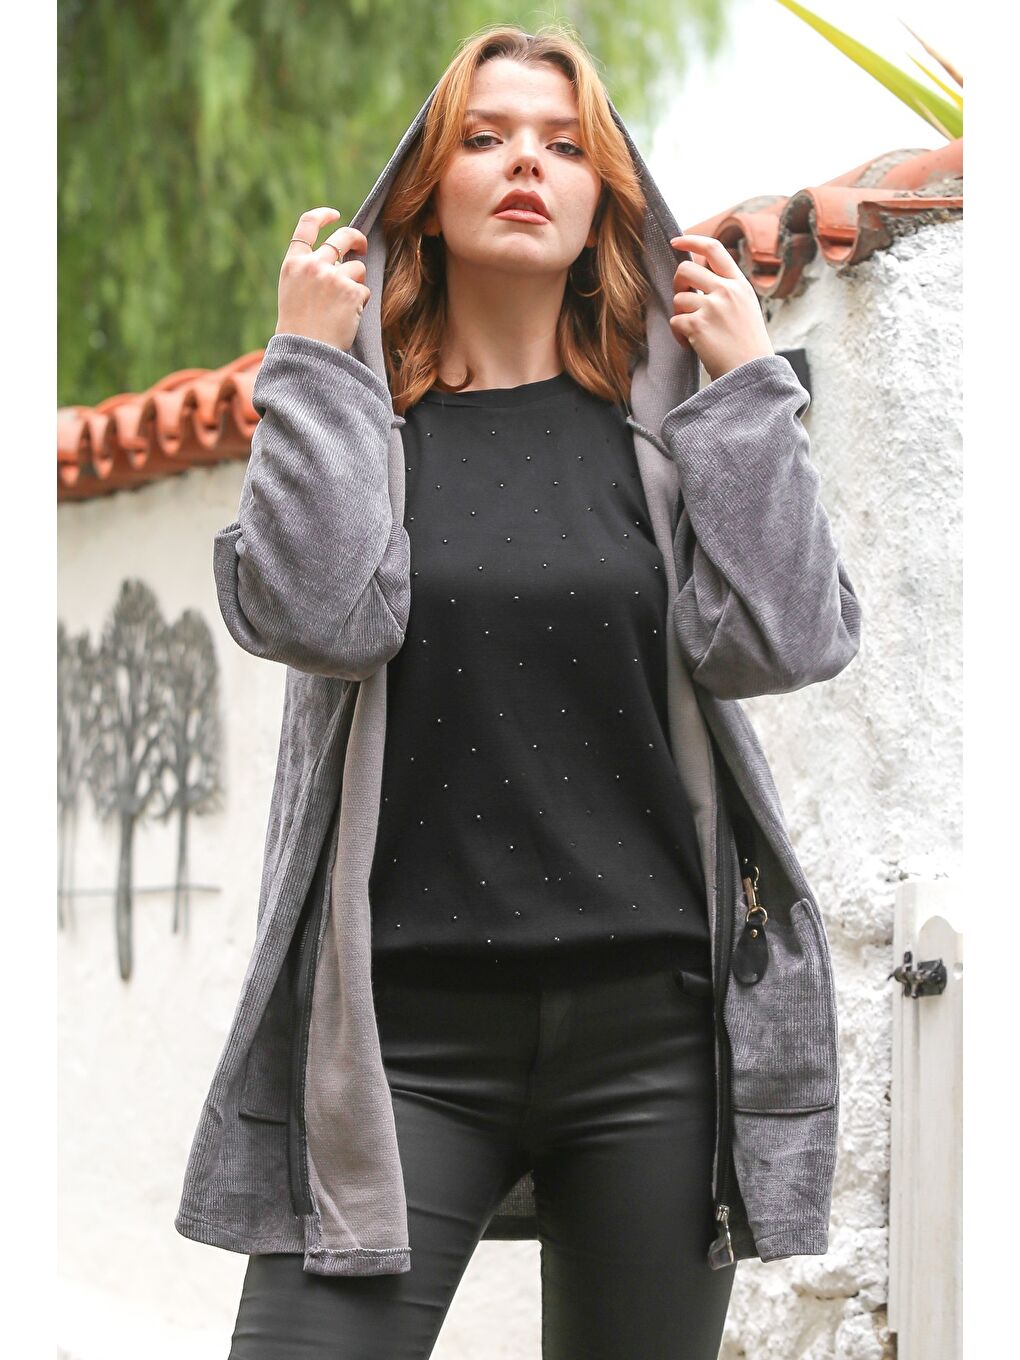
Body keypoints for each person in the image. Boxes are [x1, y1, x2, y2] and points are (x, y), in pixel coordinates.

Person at [175, 23, 862, 1360]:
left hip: (652, 1035)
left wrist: (744, 388)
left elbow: (786, 640)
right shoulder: (365, 433)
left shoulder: (660, 442)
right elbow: (311, 616)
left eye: (564, 143)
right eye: (485, 138)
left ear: (607, 197)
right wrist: (310, 362)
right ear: (424, 193)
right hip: (398, 1040)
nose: (526, 163)